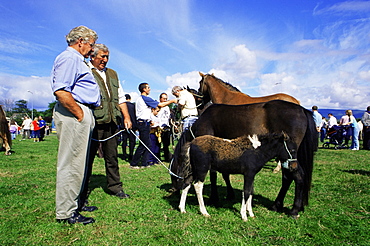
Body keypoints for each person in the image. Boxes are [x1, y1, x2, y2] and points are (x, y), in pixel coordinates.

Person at [51, 25, 100, 225]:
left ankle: (75, 203)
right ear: (81, 41)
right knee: (71, 164)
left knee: (78, 163)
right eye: (91, 45)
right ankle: (66, 212)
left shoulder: (77, 60)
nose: (93, 49)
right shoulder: (69, 58)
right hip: (74, 112)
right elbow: (61, 90)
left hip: (79, 112)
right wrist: (79, 113)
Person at [83, 43, 132, 202]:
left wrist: (126, 117)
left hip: (111, 122)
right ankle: (83, 189)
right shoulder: (85, 70)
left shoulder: (113, 74)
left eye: (107, 57)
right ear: (93, 56)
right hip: (93, 122)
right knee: (87, 158)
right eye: (102, 57)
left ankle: (115, 187)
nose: (105, 60)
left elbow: (121, 97)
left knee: (112, 157)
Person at [130, 83, 177, 169]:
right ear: (144, 89)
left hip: (145, 123)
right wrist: (172, 101)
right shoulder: (145, 98)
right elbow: (160, 105)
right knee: (144, 144)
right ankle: (134, 163)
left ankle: (144, 163)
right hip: (143, 123)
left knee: (147, 144)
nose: (149, 89)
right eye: (148, 88)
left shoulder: (141, 99)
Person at [121, 94, 137, 161]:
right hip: (132, 125)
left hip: (123, 125)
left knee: (124, 140)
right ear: (130, 99)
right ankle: (131, 154)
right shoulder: (133, 106)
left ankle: (124, 154)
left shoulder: (122, 106)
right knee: (132, 141)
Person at [157, 93, 172, 162]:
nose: (165, 100)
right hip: (159, 127)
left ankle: (167, 158)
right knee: (158, 144)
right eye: (164, 98)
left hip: (166, 127)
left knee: (166, 145)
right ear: (160, 99)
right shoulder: (158, 106)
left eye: (166, 98)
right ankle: (157, 158)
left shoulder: (167, 107)